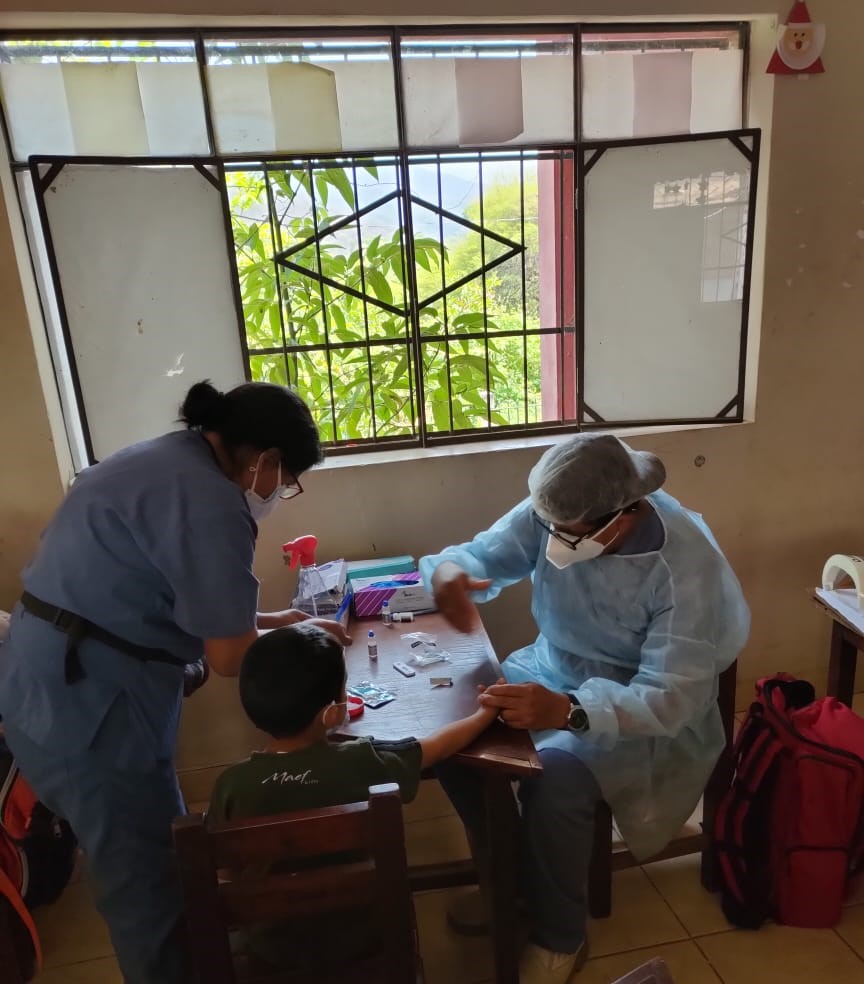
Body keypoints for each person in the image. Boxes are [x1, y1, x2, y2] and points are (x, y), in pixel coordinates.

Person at [0, 380, 350, 984]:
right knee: (148, 886)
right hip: (91, 705)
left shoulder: (158, 458)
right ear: (263, 460)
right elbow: (231, 656)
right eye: (286, 478)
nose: (280, 492)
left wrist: (275, 619)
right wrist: (304, 641)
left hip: (44, 674)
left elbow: (177, 595)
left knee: (156, 855)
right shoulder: (212, 502)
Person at [420, 433, 750, 984]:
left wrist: (570, 710)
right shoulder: (562, 507)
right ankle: (512, 885)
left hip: (640, 712)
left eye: (569, 534)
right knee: (458, 741)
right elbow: (483, 553)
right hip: (551, 670)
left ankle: (560, 934)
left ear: (623, 516)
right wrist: (452, 573)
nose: (553, 541)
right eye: (547, 526)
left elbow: (672, 696)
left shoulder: (684, 566)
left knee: (557, 778)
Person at [208, 622, 499, 972]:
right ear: (331, 712)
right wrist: (485, 712)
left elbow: (225, 870)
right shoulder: (364, 763)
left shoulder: (232, 785)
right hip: (363, 941)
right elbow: (434, 749)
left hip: (272, 950)